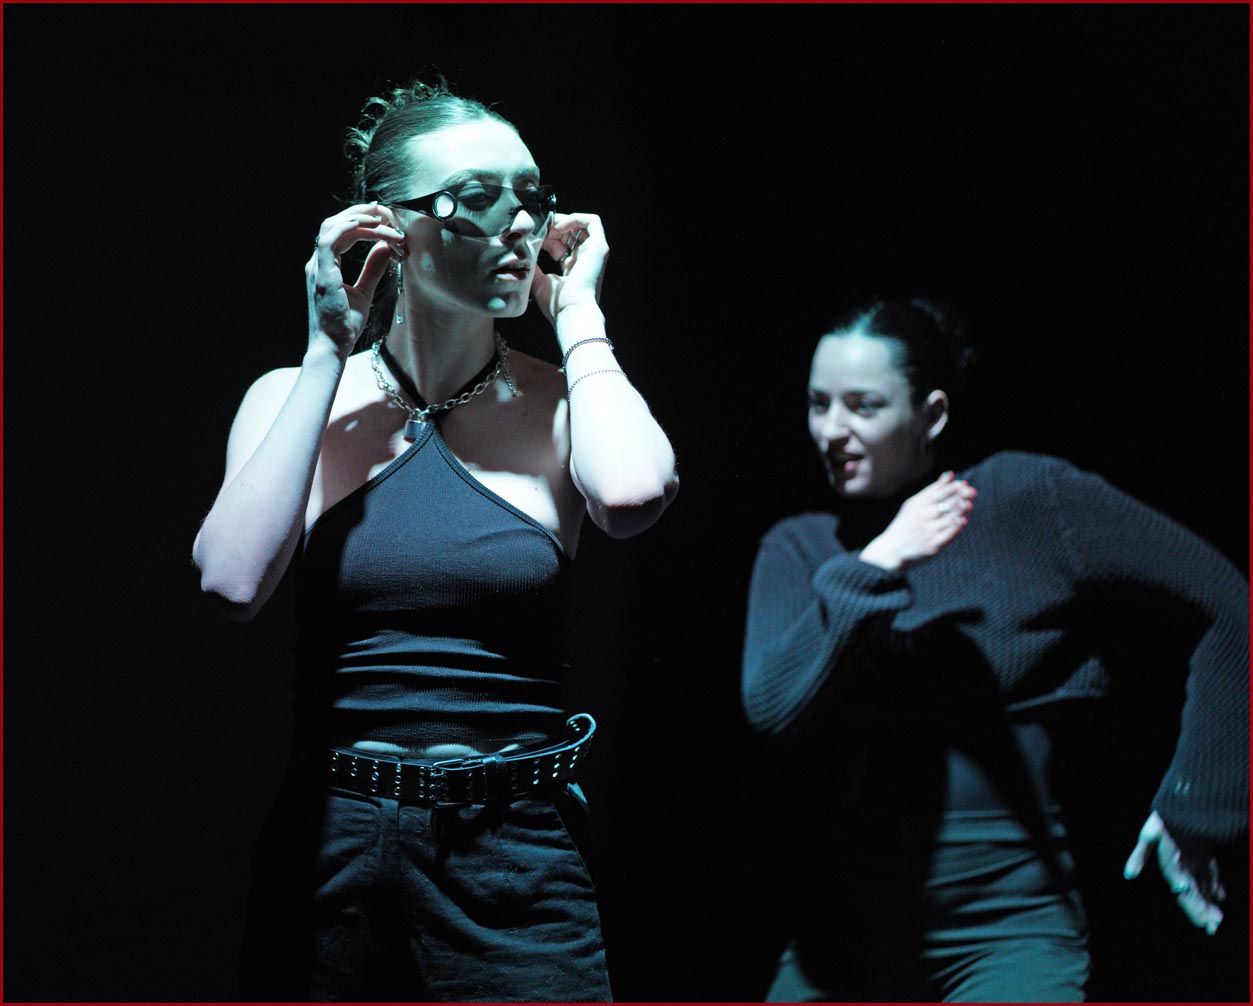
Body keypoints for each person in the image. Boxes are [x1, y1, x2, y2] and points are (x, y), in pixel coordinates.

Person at [192, 77, 678, 1002]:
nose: (518, 224)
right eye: (474, 198)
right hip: (333, 839)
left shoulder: (569, 399)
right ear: (388, 229)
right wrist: (326, 353)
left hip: (512, 850)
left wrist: (579, 318)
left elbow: (632, 495)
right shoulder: (294, 396)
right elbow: (230, 582)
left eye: (530, 196)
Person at [739, 297, 1248, 1002]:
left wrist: (1201, 804)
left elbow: (1232, 608)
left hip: (1008, 929)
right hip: (843, 939)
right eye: (817, 404)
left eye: (862, 406)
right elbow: (773, 707)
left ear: (932, 415)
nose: (831, 430)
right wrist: (877, 562)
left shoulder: (1027, 500)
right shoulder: (801, 547)